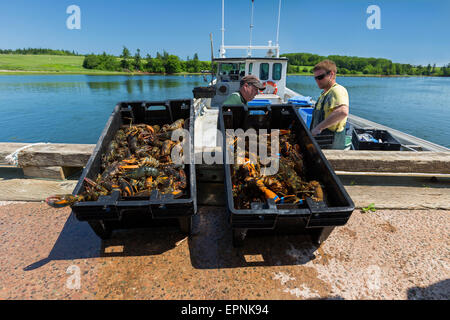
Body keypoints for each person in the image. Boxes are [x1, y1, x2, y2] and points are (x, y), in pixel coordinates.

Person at [310, 59, 349, 149]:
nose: (317, 81)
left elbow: (342, 112)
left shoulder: (337, 90)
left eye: (320, 77)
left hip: (331, 144)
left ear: (331, 74)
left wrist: (318, 128)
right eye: (315, 78)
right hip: (321, 143)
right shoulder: (324, 94)